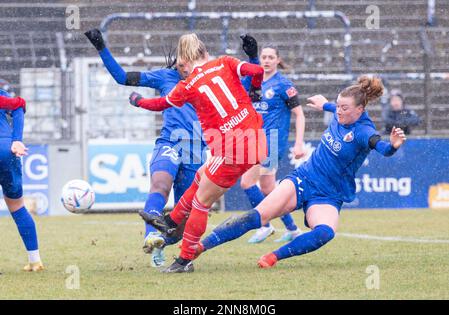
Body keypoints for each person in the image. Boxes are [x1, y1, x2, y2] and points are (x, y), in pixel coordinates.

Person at [195, 76, 406, 269]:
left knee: (325, 232)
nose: (339, 111)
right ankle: (200, 247)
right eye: (338, 106)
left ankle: (273, 257)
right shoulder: (341, 114)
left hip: (329, 194)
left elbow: (383, 149)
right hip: (303, 179)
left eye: (344, 108)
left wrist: (394, 145)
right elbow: (332, 107)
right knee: (257, 217)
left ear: (360, 110)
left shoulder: (364, 131)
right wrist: (324, 104)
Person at [129, 33, 267, 273]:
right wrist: (255, 90)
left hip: (231, 148)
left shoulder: (189, 85)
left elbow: (160, 104)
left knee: (201, 203)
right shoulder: (226, 62)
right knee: (201, 175)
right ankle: (170, 221)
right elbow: (256, 71)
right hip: (256, 140)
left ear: (185, 61)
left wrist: (138, 101)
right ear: (205, 53)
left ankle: (184, 260)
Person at [84, 29, 207, 267]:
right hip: (170, 143)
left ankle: (160, 241)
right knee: (160, 185)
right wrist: (101, 47)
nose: (186, 68)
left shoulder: (209, 79)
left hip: (196, 151)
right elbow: (122, 77)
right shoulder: (164, 77)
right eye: (183, 63)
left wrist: (253, 59)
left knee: (182, 225)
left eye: (191, 63)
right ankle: (150, 234)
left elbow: (246, 88)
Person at [239, 35, 306, 244]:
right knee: (268, 189)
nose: (266, 60)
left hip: (271, 142)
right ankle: (294, 230)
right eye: (263, 57)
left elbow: (300, 114)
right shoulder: (254, 81)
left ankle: (264, 225)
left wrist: (298, 143)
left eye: (270, 57)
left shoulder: (283, 84)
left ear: (278, 60)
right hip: (255, 140)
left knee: (247, 182)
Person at [0, 88, 44, 272]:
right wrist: (16, 139)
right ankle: (35, 261)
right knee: (17, 206)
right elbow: (19, 106)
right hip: (7, 149)